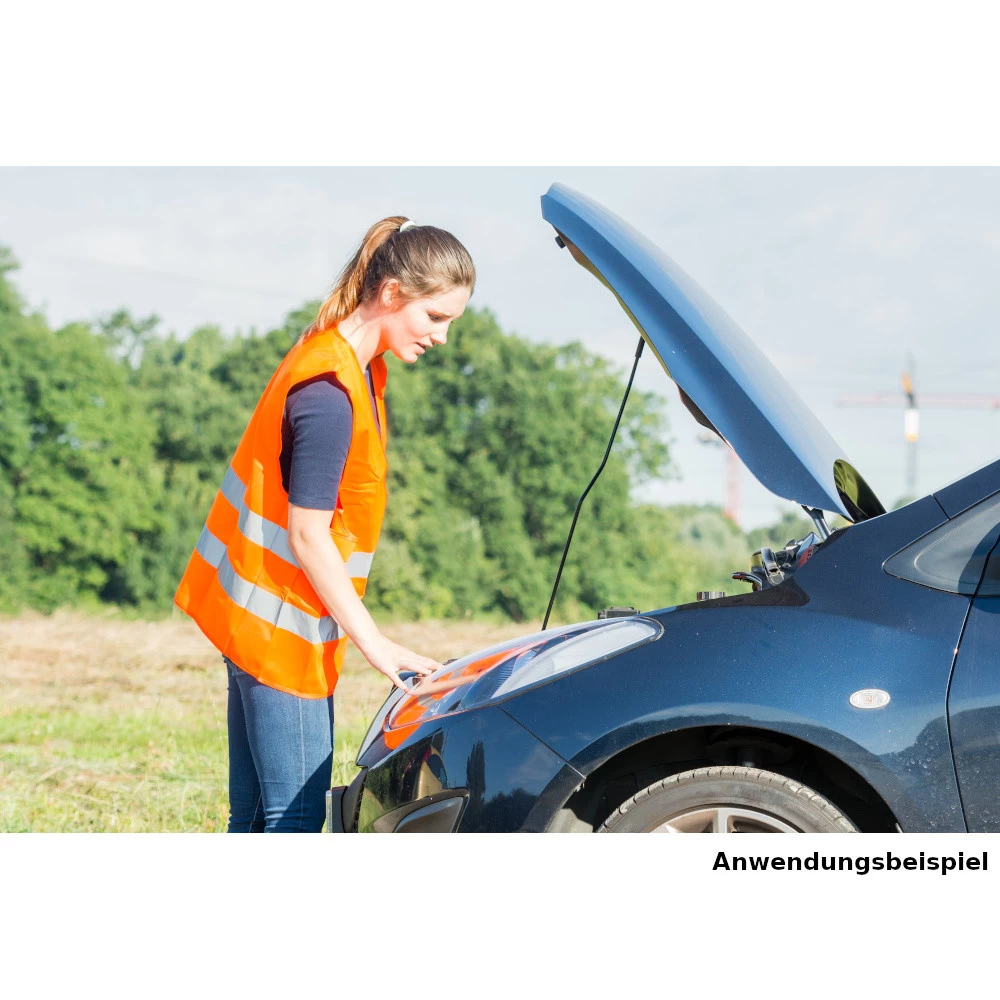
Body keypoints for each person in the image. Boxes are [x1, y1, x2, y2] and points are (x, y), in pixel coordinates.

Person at [174, 216, 475, 832]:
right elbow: (308, 535)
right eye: (436, 317)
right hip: (284, 633)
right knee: (294, 820)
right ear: (392, 294)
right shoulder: (330, 394)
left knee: (255, 816)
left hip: (257, 620)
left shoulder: (343, 362)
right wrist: (379, 645)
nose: (443, 337)